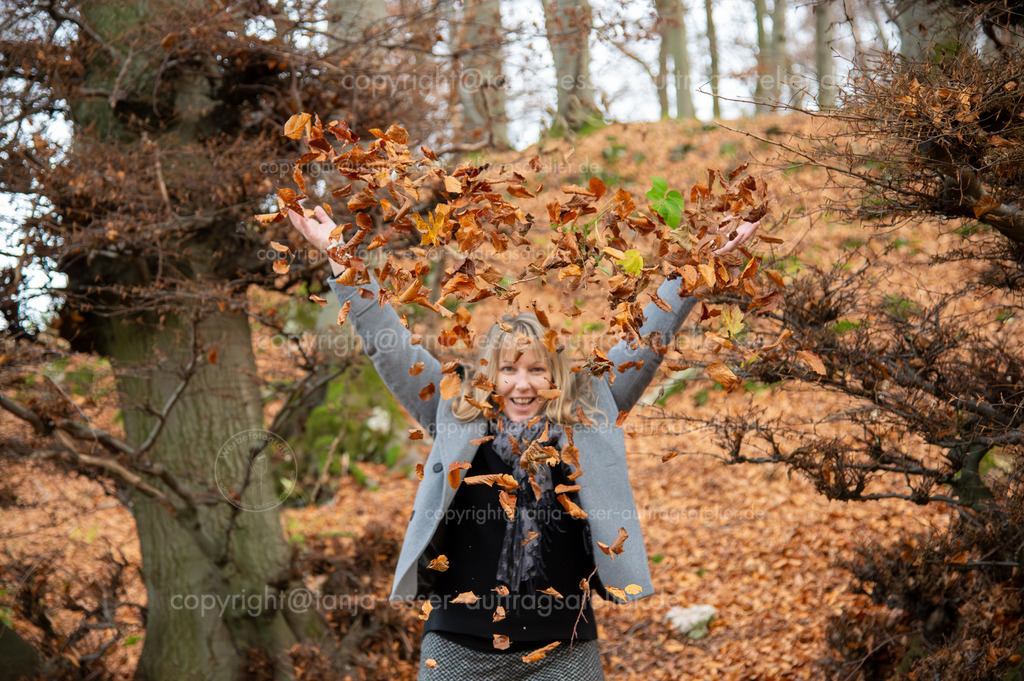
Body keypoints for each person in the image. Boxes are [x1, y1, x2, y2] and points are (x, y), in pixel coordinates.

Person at [289, 205, 758, 680]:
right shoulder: (456, 411)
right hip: (457, 645)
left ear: (557, 376)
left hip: (563, 648)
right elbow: (390, 344)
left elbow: (644, 342)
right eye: (508, 370)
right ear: (489, 375)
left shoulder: (587, 414)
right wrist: (341, 256)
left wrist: (700, 263)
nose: (522, 384)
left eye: (537, 370)